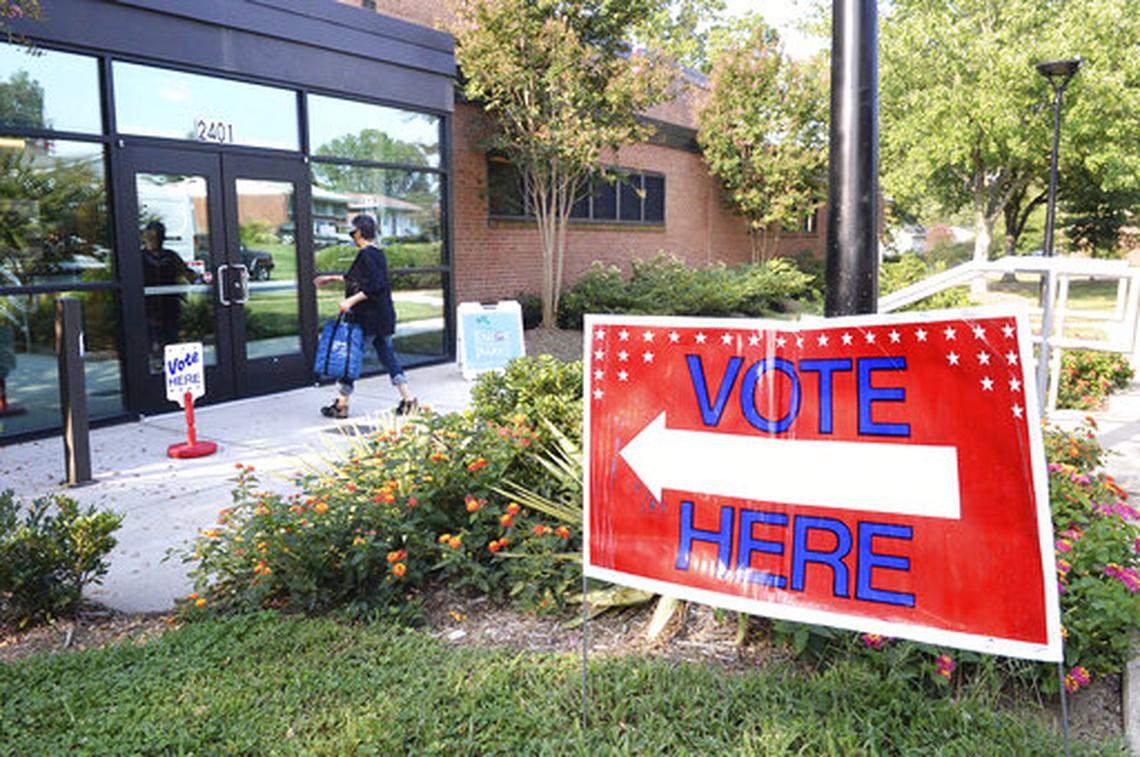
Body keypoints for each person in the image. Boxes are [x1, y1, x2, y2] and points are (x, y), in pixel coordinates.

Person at [313, 214, 417, 418]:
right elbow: (358, 277)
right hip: (383, 317)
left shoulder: (367, 254)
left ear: (359, 232)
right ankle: (408, 400)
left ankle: (341, 405)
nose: (351, 235)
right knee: (388, 358)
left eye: (352, 230)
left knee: (350, 359)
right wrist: (331, 278)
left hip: (370, 319)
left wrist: (350, 302)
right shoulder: (376, 253)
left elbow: (375, 286)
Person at [141, 220, 197, 361]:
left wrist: (196, 278)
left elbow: (188, 274)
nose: (154, 241)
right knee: (153, 342)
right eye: (151, 237)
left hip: (169, 306)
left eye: (157, 237)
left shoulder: (170, 256)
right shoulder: (140, 257)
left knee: (172, 341)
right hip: (148, 307)